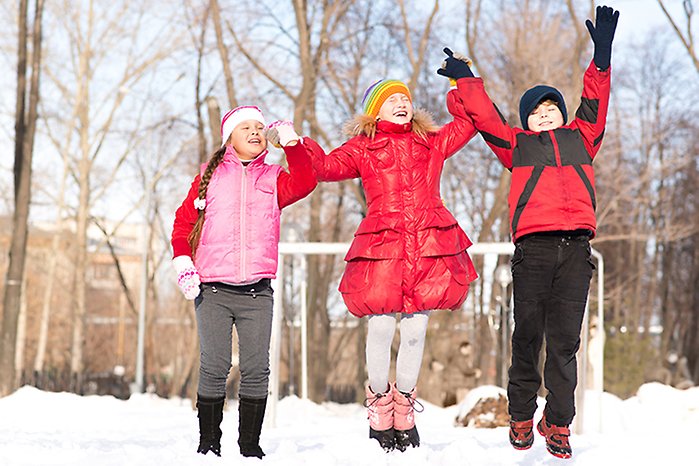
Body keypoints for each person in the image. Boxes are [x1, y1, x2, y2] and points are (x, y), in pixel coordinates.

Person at [438, 5, 618, 459]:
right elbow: (486, 116)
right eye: (535, 112)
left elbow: (595, 99)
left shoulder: (583, 137)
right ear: (526, 122)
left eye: (551, 108)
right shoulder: (515, 147)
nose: (544, 115)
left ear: (562, 115)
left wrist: (601, 59)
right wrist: (466, 79)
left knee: (565, 344)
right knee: (527, 336)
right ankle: (520, 413)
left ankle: (557, 423)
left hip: (576, 250)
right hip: (533, 251)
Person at [281, 75, 479, 452]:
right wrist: (297, 142)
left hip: (426, 243)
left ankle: (404, 407)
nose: (401, 104)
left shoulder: (430, 142)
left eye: (405, 98)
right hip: (385, 245)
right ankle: (378, 404)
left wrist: (460, 84)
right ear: (375, 111)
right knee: (382, 329)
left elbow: (468, 124)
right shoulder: (363, 147)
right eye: (392, 101)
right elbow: (323, 167)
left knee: (417, 331)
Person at [170, 106, 316, 458]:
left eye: (259, 127)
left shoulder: (273, 177)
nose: (254, 131)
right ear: (229, 138)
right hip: (213, 290)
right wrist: (183, 263)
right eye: (245, 127)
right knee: (215, 365)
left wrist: (293, 145)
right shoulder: (209, 176)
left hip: (256, 293)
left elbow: (306, 181)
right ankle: (208, 444)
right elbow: (182, 224)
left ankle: (250, 446)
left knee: (256, 368)